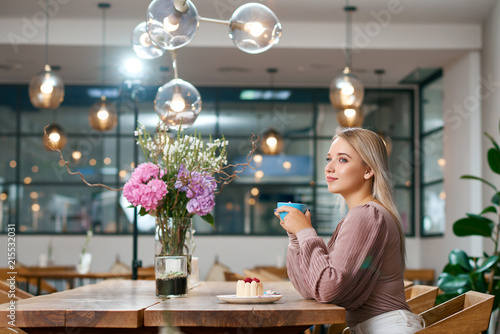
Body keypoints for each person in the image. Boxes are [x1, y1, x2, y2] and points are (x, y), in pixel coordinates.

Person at [275, 127, 423, 334]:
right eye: (329, 159)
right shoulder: (359, 216)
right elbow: (311, 289)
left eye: (342, 160)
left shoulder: (367, 215)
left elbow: (329, 289)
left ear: (368, 170)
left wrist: (306, 232)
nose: (329, 168)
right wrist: (297, 237)